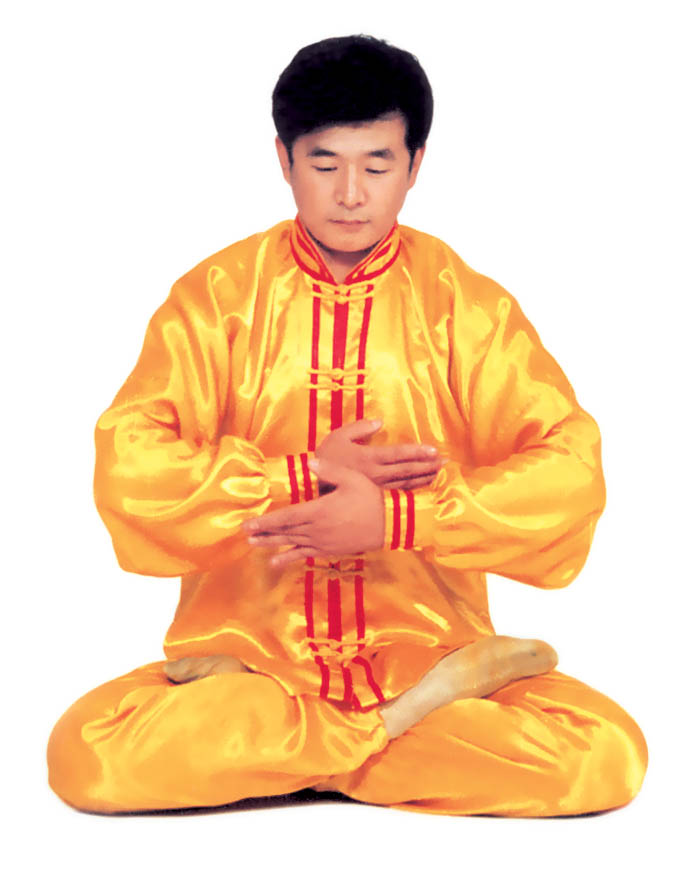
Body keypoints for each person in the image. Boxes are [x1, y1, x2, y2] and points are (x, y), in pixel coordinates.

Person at [47, 34, 647, 816]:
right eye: (325, 165)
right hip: (253, 673)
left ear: (416, 164)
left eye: (378, 165)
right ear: (284, 160)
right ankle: (387, 737)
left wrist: (400, 519)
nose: (352, 194)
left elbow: (571, 470)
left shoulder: (464, 308)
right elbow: (129, 468)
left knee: (604, 757)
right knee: (86, 757)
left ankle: (283, 758)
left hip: (423, 659)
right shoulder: (218, 299)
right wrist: (297, 476)